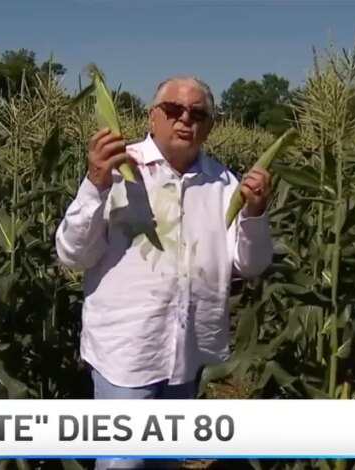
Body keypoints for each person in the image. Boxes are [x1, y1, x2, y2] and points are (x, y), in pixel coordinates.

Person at [55, 76, 274, 469]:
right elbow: (72, 254)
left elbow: (250, 264)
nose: (184, 120)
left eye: (197, 113)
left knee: (164, 462)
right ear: (152, 117)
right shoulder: (119, 169)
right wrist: (95, 183)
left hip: (186, 351)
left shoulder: (224, 183)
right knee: (124, 463)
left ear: (209, 125)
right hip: (125, 352)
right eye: (173, 110)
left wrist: (255, 212)